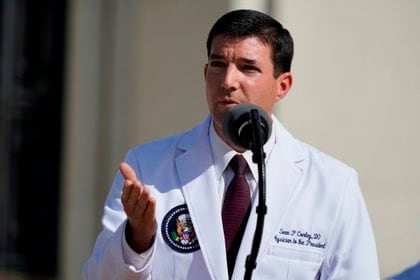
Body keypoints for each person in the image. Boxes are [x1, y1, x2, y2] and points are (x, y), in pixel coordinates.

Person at [82, 9, 380, 279]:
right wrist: (137, 239)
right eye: (218, 63)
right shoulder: (147, 167)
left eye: (248, 68)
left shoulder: (332, 184)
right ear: (205, 74)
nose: (227, 80)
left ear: (283, 85)